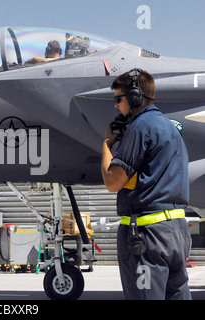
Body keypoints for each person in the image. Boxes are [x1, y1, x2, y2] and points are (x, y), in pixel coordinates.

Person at [101, 68, 192, 300]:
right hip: (176, 233)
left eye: (118, 99)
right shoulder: (170, 127)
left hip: (146, 237)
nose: (115, 105)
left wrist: (106, 144)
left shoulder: (139, 128)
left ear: (134, 97)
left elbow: (113, 182)